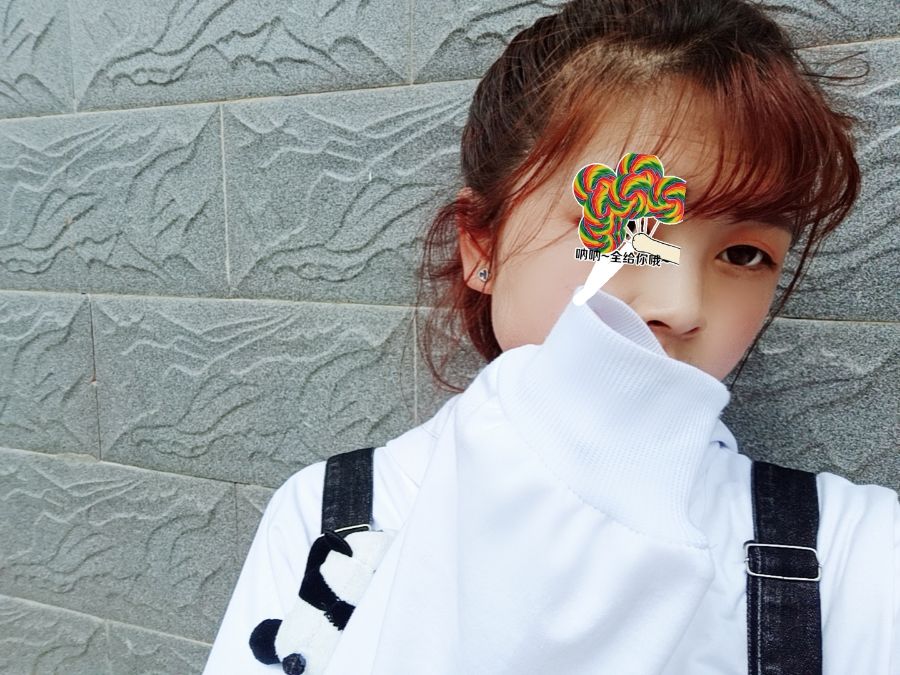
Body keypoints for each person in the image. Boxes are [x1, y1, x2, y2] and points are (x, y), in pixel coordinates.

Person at [203, 0, 899, 673]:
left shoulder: (855, 555)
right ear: (482, 245)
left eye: (745, 255)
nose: (681, 306)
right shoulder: (329, 517)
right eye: (626, 227)